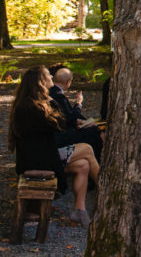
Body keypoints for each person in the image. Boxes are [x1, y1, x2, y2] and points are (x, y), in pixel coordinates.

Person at [9, 67, 98, 227]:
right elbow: (59, 125)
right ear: (41, 82)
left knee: (83, 165)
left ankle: (79, 210)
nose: (51, 76)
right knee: (87, 149)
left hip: (42, 155)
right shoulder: (33, 107)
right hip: (38, 159)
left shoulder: (31, 103)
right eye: (48, 75)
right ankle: (106, 189)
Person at [49, 67, 104, 160]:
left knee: (92, 129)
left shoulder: (51, 92)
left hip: (56, 133)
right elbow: (71, 118)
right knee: (94, 132)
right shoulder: (59, 96)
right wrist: (78, 104)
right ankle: (98, 161)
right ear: (68, 82)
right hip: (60, 136)